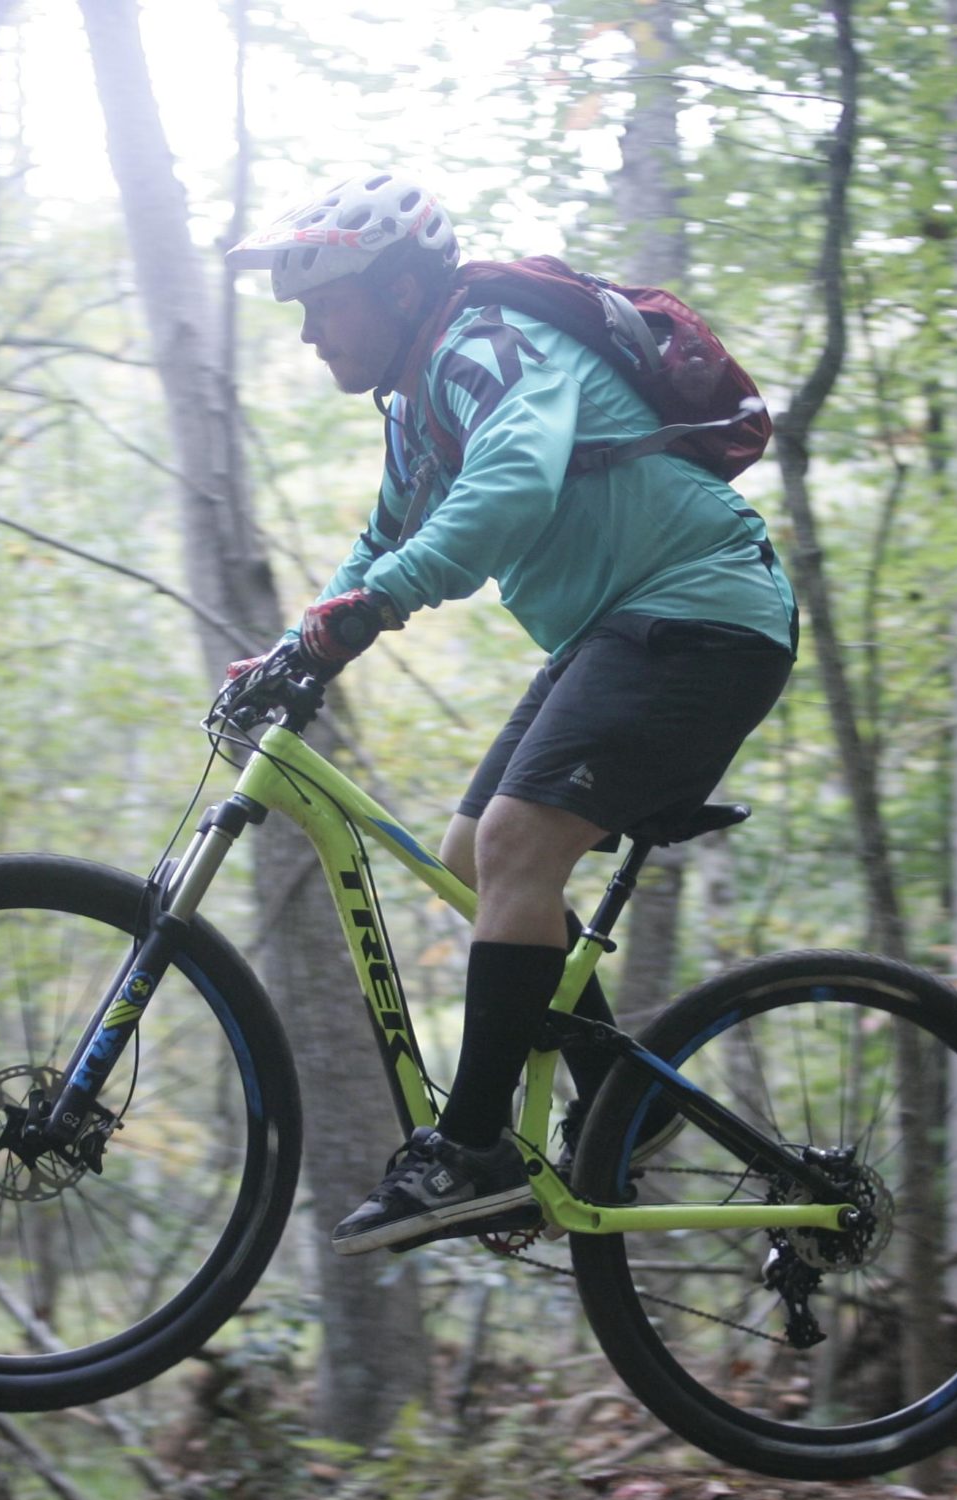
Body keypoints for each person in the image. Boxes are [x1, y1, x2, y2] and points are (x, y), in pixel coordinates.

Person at [223, 171, 797, 1256]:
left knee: (515, 840)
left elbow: (512, 490)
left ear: (396, 288)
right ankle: (626, 1098)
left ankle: (471, 1149)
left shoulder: (487, 342)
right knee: (475, 856)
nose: (309, 335)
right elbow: (383, 542)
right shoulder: (420, 398)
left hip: (699, 616)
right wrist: (301, 641)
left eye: (323, 303)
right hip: (627, 628)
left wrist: (369, 611)